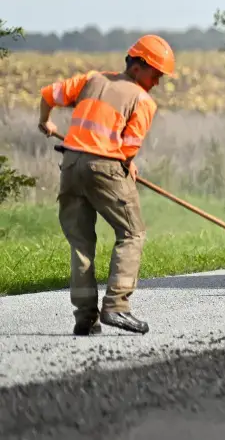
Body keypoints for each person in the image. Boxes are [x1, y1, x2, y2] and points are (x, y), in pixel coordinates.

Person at [37, 35, 174, 335]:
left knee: (81, 243)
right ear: (137, 67)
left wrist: (45, 121)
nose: (157, 82)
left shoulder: (91, 79)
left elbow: (48, 94)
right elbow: (128, 147)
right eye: (155, 74)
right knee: (132, 233)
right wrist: (127, 162)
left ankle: (85, 318)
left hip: (71, 165)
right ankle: (117, 306)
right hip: (104, 167)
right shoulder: (142, 100)